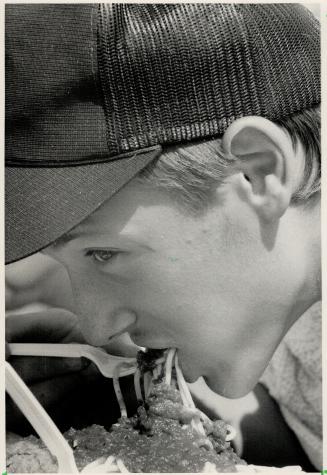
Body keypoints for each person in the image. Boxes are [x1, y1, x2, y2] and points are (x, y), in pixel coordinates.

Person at [5, 3, 321, 471]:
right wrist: (130, 413)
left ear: (259, 172)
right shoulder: (282, 301)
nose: (95, 326)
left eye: (103, 253)